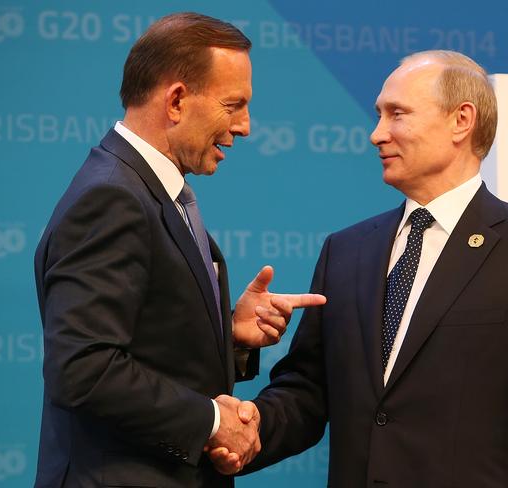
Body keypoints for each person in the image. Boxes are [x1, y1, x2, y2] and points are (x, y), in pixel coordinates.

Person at [210, 50, 508, 486]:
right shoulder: (346, 251)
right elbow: (309, 392)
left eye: (396, 114)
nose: (376, 134)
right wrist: (247, 430)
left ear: (462, 120)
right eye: (378, 115)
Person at [33, 12, 324, 488]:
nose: (246, 126)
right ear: (176, 100)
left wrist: (230, 338)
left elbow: (147, 349)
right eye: (234, 105)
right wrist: (212, 421)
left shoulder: (150, 191)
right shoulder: (113, 198)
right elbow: (82, 369)